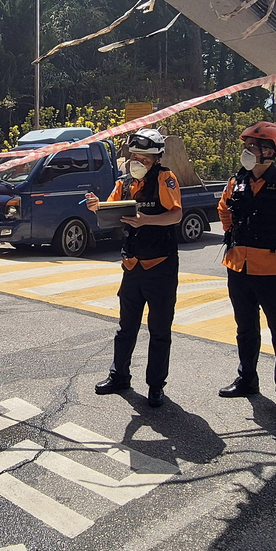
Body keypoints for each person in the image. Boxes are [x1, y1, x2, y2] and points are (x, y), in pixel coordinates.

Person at [217, 121, 276, 421]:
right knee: (245, 329)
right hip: (238, 268)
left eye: (253, 146)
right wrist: (233, 234)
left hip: (274, 272)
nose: (247, 151)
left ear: (270, 152)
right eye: (246, 145)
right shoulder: (237, 181)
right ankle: (247, 379)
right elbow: (223, 209)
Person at [85, 128, 183, 408]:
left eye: (144, 158)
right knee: (126, 327)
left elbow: (176, 214)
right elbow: (110, 210)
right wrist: (96, 206)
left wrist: (146, 220)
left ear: (156, 159)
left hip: (160, 265)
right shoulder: (125, 183)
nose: (137, 161)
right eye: (134, 156)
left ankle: (156, 385)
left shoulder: (165, 178)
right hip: (132, 264)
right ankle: (119, 376)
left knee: (159, 329)